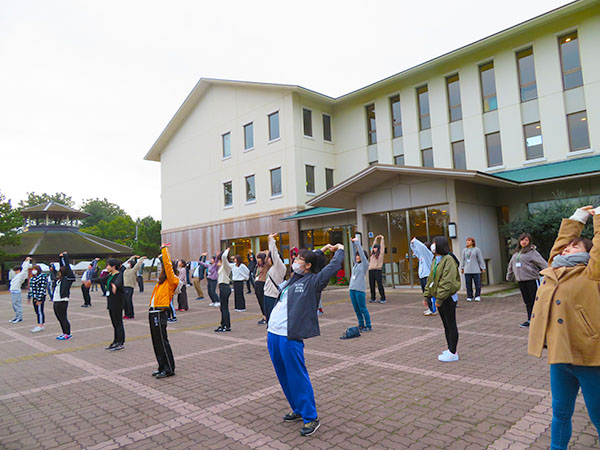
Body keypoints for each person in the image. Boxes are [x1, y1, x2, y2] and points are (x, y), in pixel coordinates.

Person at [528, 205, 600, 450]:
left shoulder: (592, 272)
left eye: (576, 246)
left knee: (599, 418)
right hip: (560, 356)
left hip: (590, 357)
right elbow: (560, 246)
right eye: (568, 246)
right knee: (560, 414)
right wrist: (576, 219)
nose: (568, 249)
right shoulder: (554, 269)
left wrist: (598, 219)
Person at [268, 243, 345, 437]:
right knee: (283, 375)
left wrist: (340, 250)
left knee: (296, 375)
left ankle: (310, 417)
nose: (294, 262)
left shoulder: (313, 282)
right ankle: (298, 409)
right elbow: (314, 258)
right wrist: (323, 249)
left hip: (290, 335)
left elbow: (332, 268)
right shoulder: (295, 278)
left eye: (298, 260)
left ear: (307, 265)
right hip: (273, 333)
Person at [423, 237, 461, 362]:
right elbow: (431, 279)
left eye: (434, 243)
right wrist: (427, 296)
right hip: (439, 296)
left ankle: (453, 352)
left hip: (447, 298)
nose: (433, 246)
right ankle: (450, 348)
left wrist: (438, 300)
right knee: (446, 325)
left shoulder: (448, 259)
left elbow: (447, 282)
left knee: (451, 324)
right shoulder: (436, 259)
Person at [148, 244, 178, 378]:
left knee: (162, 341)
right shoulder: (160, 282)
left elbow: (168, 265)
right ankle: (161, 366)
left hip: (160, 313)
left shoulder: (172, 281)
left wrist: (164, 250)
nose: (161, 269)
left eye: (162, 268)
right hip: (153, 312)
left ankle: (169, 368)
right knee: (156, 342)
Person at [507, 232, 548, 328]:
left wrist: (547, 274)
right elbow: (511, 266)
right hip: (521, 281)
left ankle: (539, 320)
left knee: (535, 301)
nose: (524, 242)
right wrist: (509, 276)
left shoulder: (532, 252)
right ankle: (530, 319)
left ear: (529, 242)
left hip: (532, 280)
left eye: (526, 240)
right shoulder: (517, 253)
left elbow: (544, 264)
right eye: (522, 240)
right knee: (527, 301)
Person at [95, 259, 126, 351]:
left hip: (118, 302)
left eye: (108, 265)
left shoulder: (119, 275)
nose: (106, 267)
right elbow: (101, 280)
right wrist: (90, 281)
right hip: (111, 302)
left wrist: (115, 286)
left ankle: (120, 342)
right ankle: (115, 341)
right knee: (114, 323)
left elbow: (119, 283)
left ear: (113, 266)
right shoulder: (109, 276)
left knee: (118, 322)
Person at [52, 252, 76, 340]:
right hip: (56, 300)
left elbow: (67, 268)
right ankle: (63, 332)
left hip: (63, 300)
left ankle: (68, 333)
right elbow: (62, 266)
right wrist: (59, 258)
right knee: (59, 318)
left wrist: (66, 256)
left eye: (60, 271)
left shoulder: (68, 278)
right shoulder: (60, 279)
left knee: (63, 317)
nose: (59, 272)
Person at [263, 233, 287, 322]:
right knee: (269, 318)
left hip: (273, 296)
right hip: (267, 295)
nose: (268, 259)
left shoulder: (280, 266)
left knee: (274, 319)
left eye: (269, 258)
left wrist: (271, 240)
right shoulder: (272, 267)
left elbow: (274, 254)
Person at [349, 237, 371, 331]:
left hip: (359, 290)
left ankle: (368, 325)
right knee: (356, 309)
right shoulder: (355, 264)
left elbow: (361, 254)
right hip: (352, 289)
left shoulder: (364, 265)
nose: (357, 257)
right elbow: (354, 254)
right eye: (357, 256)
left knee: (362, 308)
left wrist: (357, 242)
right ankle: (361, 324)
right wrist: (353, 244)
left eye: (359, 256)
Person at [410, 237, 435, 316]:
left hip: (427, 276)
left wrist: (415, 241)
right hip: (422, 276)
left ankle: (433, 309)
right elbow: (416, 251)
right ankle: (429, 308)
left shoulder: (429, 254)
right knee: (425, 293)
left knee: (429, 293)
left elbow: (422, 248)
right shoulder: (421, 256)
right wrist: (412, 244)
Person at [460, 237, 486, 302]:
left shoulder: (476, 250)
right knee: (468, 284)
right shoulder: (464, 250)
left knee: (477, 283)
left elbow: (480, 259)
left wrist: (483, 267)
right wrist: (462, 268)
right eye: (467, 241)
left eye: (469, 240)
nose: (467, 242)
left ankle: (477, 295)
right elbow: (462, 260)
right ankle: (469, 296)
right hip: (467, 270)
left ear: (472, 242)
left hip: (475, 269)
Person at [215, 248, 234, 332]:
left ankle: (226, 326)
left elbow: (224, 256)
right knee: (223, 308)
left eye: (219, 259)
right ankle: (224, 324)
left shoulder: (226, 265)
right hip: (222, 287)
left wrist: (227, 250)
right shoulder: (223, 266)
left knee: (224, 308)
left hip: (225, 287)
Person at [8, 257, 32, 323]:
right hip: (13, 291)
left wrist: (27, 261)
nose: (15, 271)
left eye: (15, 270)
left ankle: (20, 317)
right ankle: (17, 316)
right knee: (14, 305)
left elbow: (24, 269)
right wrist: (25, 261)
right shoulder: (17, 276)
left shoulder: (21, 275)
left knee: (17, 305)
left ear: (18, 270)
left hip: (16, 292)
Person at [27, 264, 47, 332]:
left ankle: (40, 325)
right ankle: (40, 324)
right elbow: (30, 288)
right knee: (37, 311)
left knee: (40, 311)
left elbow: (42, 288)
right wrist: (29, 297)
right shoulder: (32, 278)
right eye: (33, 270)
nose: (33, 271)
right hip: (34, 296)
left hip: (40, 297)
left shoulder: (42, 277)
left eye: (35, 269)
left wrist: (39, 299)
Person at [368, 235, 386, 303]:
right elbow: (372, 246)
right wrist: (375, 239)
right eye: (374, 248)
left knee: (379, 285)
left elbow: (382, 248)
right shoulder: (372, 254)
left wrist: (382, 238)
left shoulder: (380, 254)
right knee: (371, 285)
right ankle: (373, 298)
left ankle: (383, 298)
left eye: (376, 248)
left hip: (377, 270)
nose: (375, 249)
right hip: (371, 270)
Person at [254, 252, 271, 325]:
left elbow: (267, 259)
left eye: (260, 259)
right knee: (260, 301)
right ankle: (264, 316)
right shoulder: (258, 266)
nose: (258, 260)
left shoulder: (266, 266)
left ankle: (266, 316)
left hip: (263, 283)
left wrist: (266, 253)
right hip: (257, 284)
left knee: (263, 301)